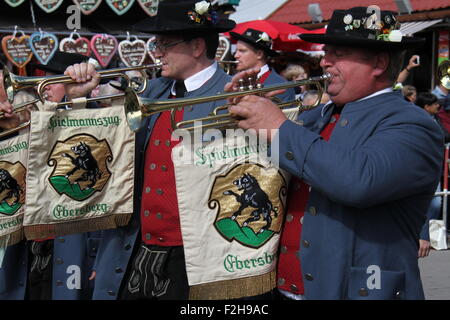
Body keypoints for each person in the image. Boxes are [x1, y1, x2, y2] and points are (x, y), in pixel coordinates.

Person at [62, 0, 276, 300]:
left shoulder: (234, 96)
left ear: (197, 46)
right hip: (136, 249)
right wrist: (79, 100)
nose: (156, 52)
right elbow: (103, 155)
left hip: (198, 259)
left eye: (165, 43)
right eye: (156, 43)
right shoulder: (152, 92)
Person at [226, 6, 443, 299]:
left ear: (379, 62)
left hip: (357, 288)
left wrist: (277, 125)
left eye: (337, 54)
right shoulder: (318, 115)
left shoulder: (413, 124)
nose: (324, 63)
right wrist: (246, 108)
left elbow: (357, 180)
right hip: (282, 287)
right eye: (326, 53)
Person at [0, 51, 102, 300]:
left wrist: (99, 258)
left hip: (72, 243)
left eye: (53, 79)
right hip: (28, 244)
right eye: (43, 76)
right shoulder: (29, 116)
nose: (42, 84)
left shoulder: (93, 116)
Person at [230, 28, 295, 102]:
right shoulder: (231, 82)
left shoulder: (283, 86)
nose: (236, 55)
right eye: (236, 51)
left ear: (259, 54)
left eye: (242, 51)